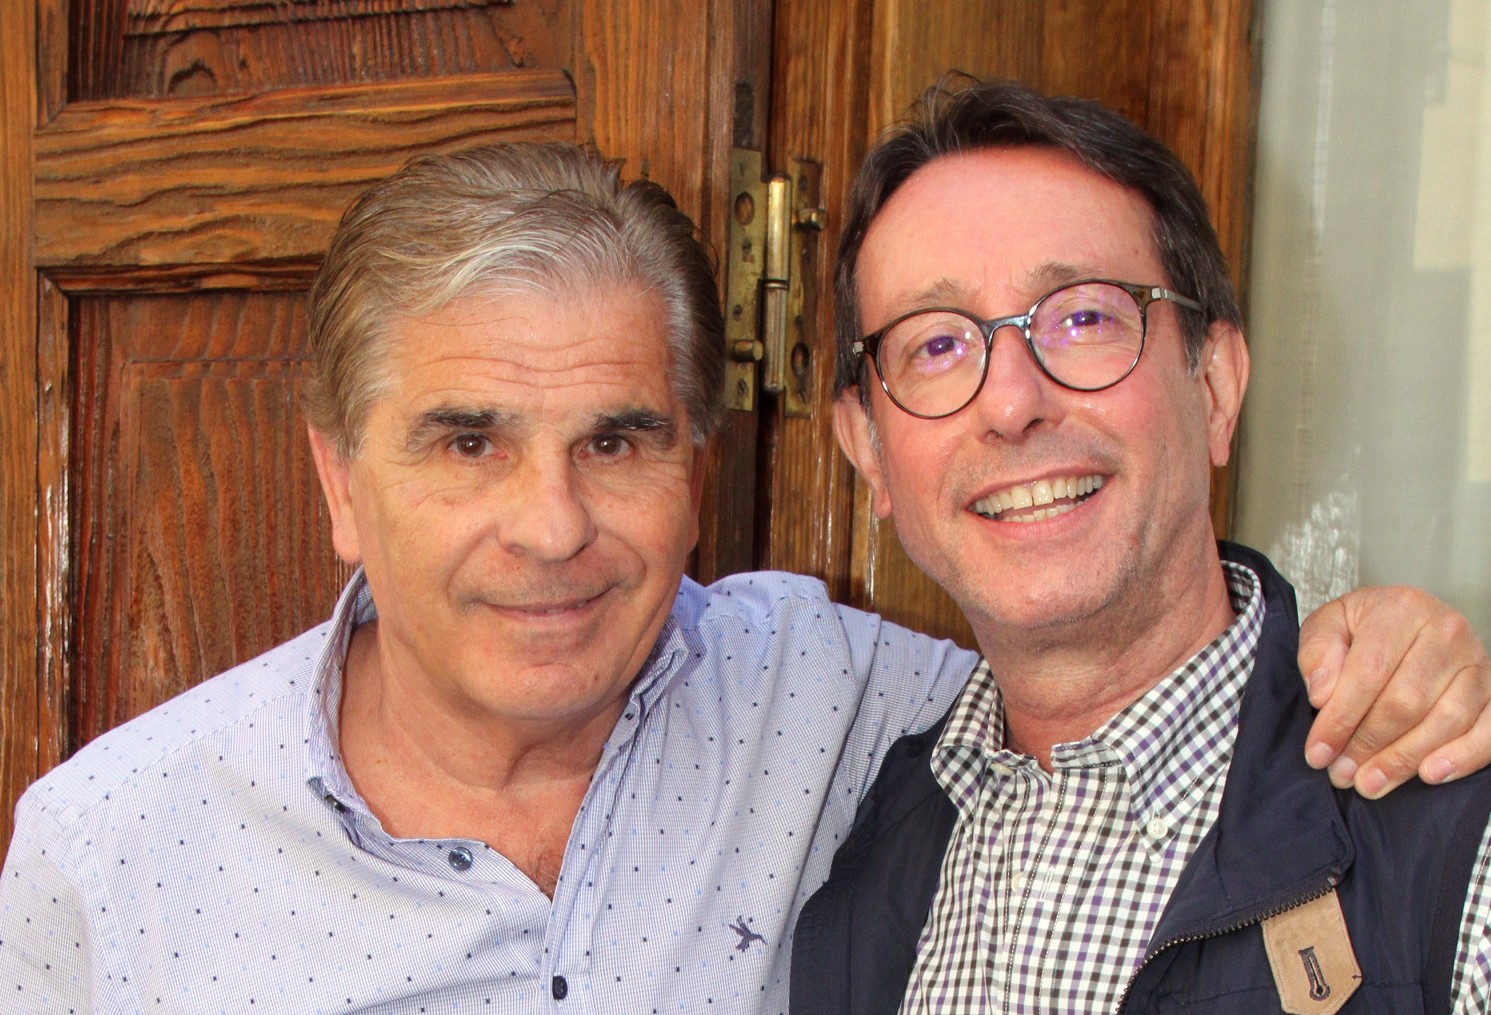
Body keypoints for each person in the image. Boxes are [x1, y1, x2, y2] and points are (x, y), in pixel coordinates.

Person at [0, 142, 1482, 1015]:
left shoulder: (843, 704)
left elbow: (1116, 661)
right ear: (338, 480)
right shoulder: (110, 855)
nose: (551, 526)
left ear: (699, 471)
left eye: (618, 440)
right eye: (466, 441)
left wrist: (1372, 653)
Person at [791, 78, 1491, 1014]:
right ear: (869, 451)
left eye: (1082, 318)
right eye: (936, 346)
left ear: (1215, 387)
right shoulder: (848, 849)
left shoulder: (1456, 848)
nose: (1011, 402)